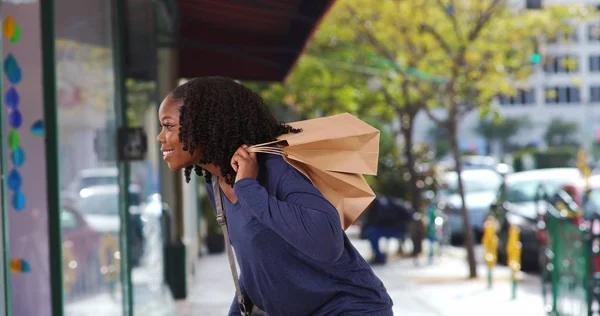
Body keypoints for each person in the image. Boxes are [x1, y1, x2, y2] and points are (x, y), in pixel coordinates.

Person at [156, 77, 393, 316]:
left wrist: (248, 188)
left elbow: (328, 244)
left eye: (168, 126)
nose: (160, 137)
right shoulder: (216, 183)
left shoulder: (279, 168)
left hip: (349, 308)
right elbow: (258, 263)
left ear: (202, 125)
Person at [361, 196, 414, 265]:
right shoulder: (384, 203)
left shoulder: (380, 206)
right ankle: (379, 256)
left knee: (372, 232)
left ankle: (379, 257)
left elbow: (374, 221)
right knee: (372, 232)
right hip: (400, 229)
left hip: (396, 230)